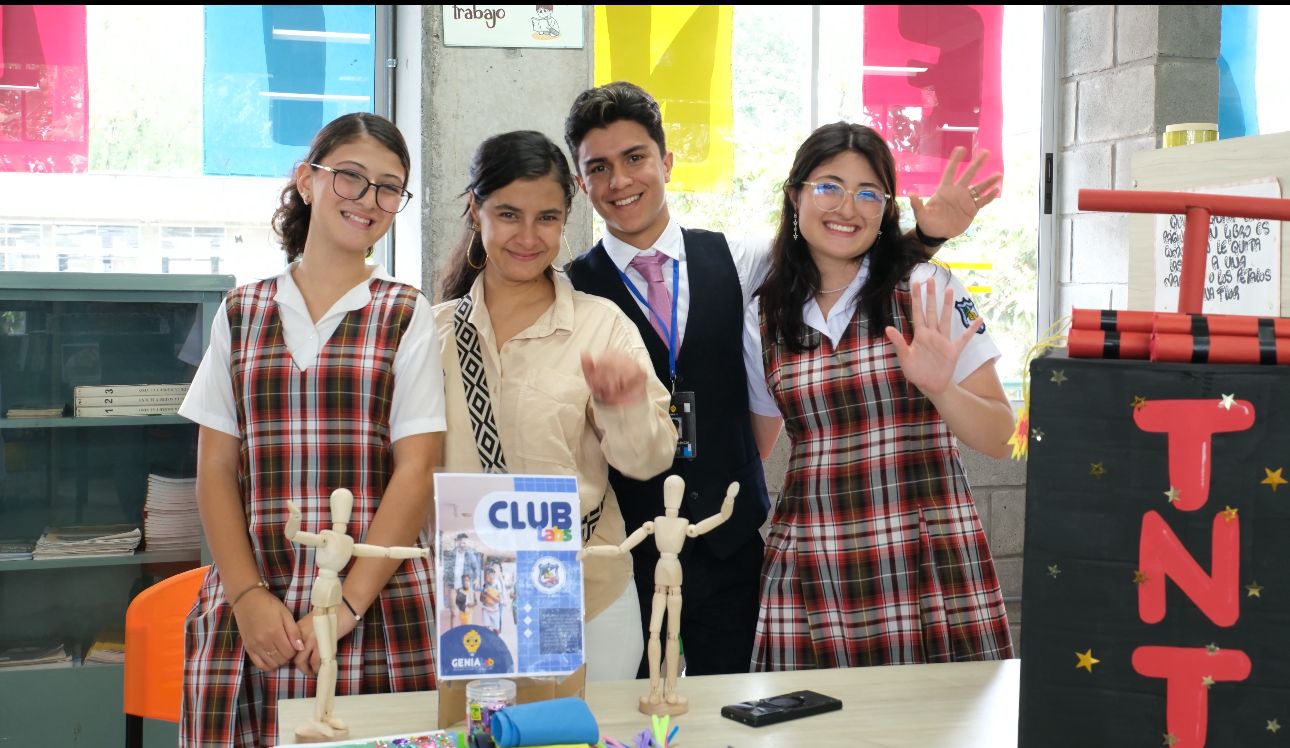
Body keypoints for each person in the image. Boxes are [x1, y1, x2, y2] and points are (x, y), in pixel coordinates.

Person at [562, 81, 997, 677]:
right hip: (627, 548)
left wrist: (926, 242)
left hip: (741, 548)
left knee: (749, 714)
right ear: (581, 181)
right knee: (625, 718)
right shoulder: (571, 290)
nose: (620, 180)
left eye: (635, 158)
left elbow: (846, 250)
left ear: (666, 161)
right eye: (599, 168)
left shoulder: (743, 264)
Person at [179, 112, 444, 747]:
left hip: (373, 608)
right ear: (307, 180)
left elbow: (418, 469)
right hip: (255, 601)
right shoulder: (242, 311)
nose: (368, 200)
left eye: (389, 187)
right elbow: (214, 472)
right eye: (350, 177)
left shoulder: (406, 313)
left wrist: (345, 607)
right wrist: (245, 598)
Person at [744, 121, 1014, 671]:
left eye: (869, 192)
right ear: (795, 194)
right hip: (813, 565)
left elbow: (1003, 437)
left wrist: (941, 390)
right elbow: (757, 446)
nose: (848, 206)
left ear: (886, 209)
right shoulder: (764, 313)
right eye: (829, 186)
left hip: (924, 560)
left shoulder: (925, 287)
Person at [435, 129, 677, 681]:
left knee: (583, 738)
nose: (528, 235)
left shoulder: (600, 324)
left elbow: (648, 461)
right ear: (476, 211)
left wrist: (625, 404)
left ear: (566, 219)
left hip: (588, 591)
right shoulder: (432, 334)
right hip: (471, 596)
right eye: (508, 214)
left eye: (546, 217)